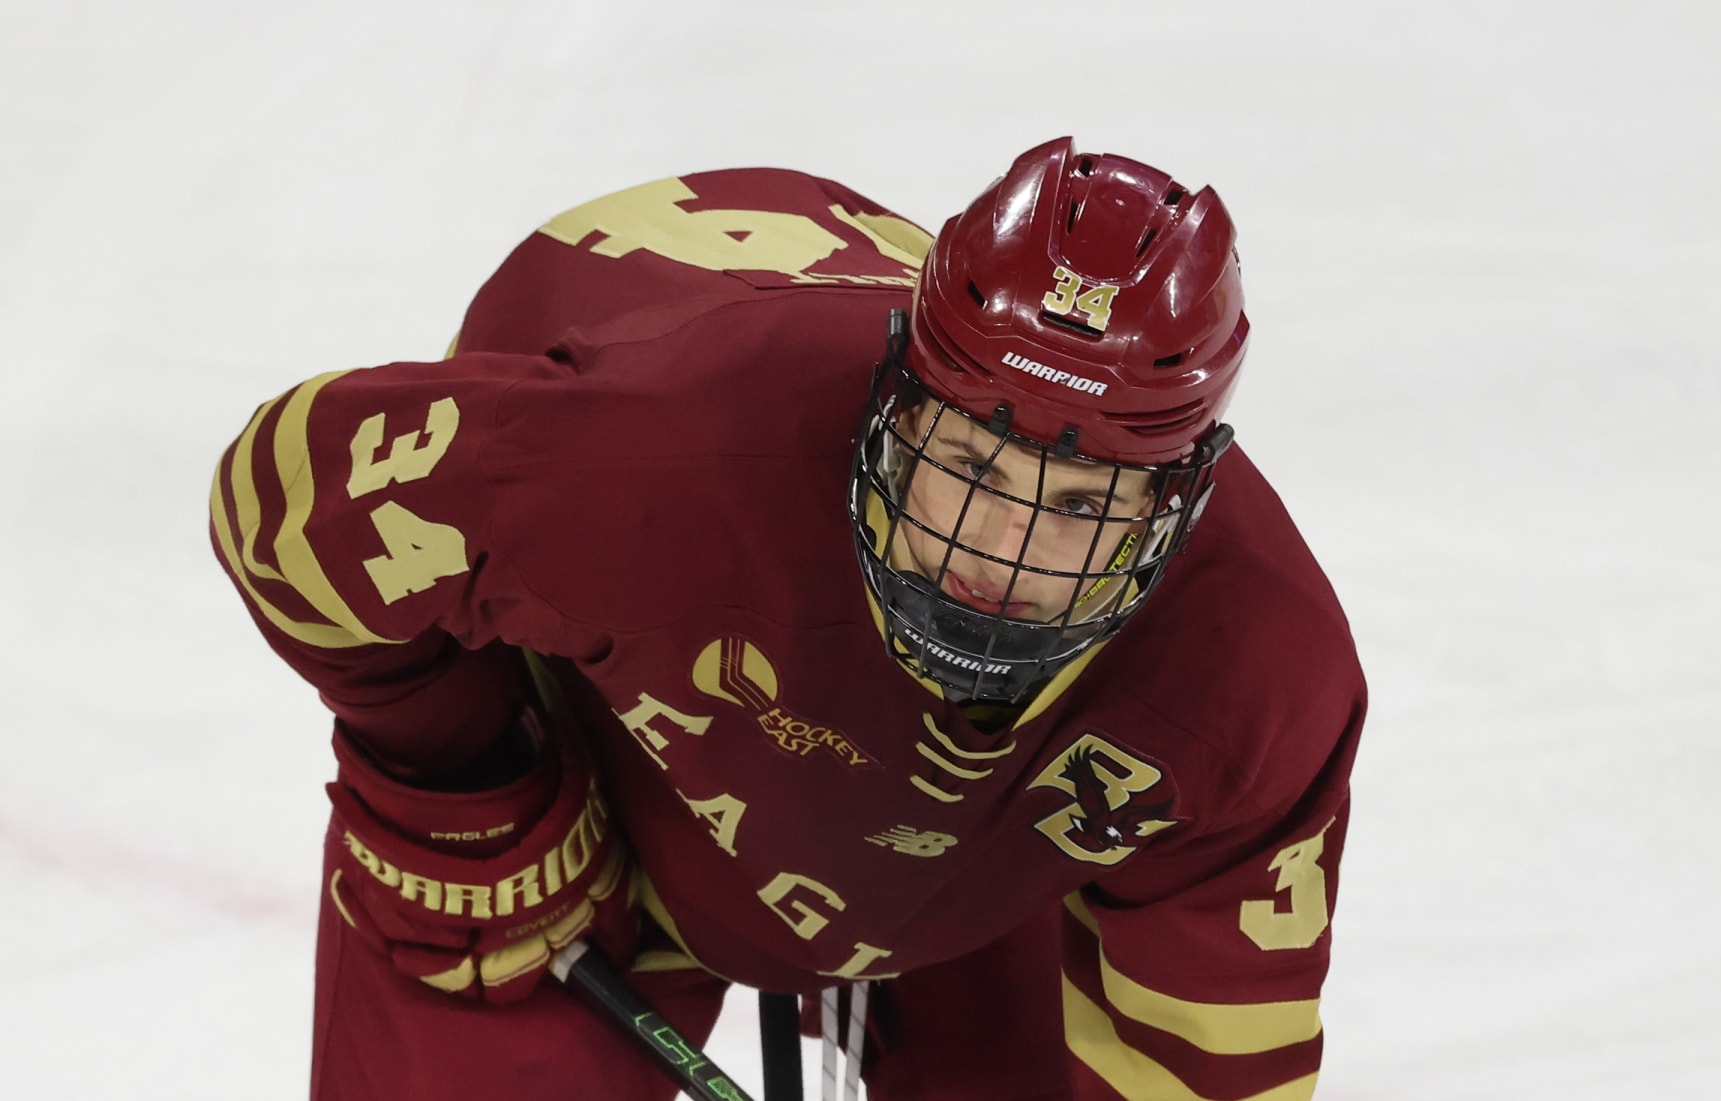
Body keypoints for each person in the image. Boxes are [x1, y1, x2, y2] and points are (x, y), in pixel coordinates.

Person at [210, 137, 1366, 1101]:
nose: (1004, 550)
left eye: (1079, 504)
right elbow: (284, 501)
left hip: (968, 861)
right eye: (970, 464)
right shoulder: (663, 455)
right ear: (897, 407)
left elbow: (1211, 1062)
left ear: (1176, 502)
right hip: (619, 773)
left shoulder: (1255, 671)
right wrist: (458, 780)